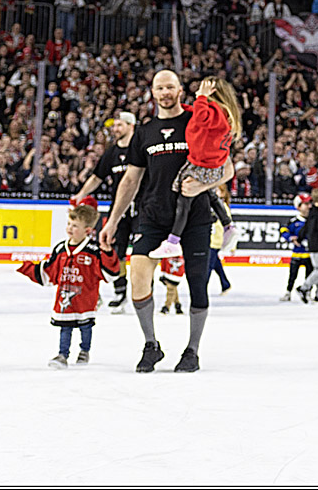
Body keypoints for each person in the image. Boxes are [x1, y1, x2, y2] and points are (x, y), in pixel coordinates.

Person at [100, 69, 235, 374]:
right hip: (153, 216)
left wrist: (201, 187)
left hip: (196, 217)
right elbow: (130, 180)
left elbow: (226, 170)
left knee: (197, 285)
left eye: (170, 87)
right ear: (152, 92)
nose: (165, 92)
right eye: (159, 87)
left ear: (179, 90)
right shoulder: (143, 132)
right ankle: (151, 345)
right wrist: (112, 221)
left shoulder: (196, 120)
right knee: (137, 276)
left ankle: (192, 351)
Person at [17, 199, 119, 369]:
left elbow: (109, 273)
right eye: (69, 224)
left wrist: (108, 252)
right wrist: (28, 268)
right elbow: (49, 272)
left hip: (86, 300)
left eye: (75, 226)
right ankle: (62, 354)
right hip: (65, 300)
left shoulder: (93, 251)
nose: (70, 228)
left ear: (87, 230)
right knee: (65, 327)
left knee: (86, 327)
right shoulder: (60, 249)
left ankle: (84, 350)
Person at [148, 77, 240, 260]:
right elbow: (197, 114)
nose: (198, 91)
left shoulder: (215, 111)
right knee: (210, 194)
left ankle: (173, 241)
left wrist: (201, 98)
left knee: (185, 199)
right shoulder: (220, 112)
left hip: (202, 164)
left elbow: (201, 117)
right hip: (206, 163)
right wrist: (185, 108)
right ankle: (228, 225)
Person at [72, 110, 138, 312]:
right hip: (118, 210)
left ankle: (143, 294)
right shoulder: (111, 153)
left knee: (140, 255)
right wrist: (80, 195)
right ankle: (120, 293)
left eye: (119, 125)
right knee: (115, 253)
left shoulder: (141, 149)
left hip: (142, 208)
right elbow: (97, 177)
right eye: (114, 126)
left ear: (130, 126)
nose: (115, 129)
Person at [279, 193, 314, 302]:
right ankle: (288, 292)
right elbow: (283, 230)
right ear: (298, 206)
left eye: (309, 203)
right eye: (305, 204)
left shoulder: (313, 220)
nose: (309, 206)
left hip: (310, 254)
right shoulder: (294, 221)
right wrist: (291, 238)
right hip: (297, 253)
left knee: (309, 275)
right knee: (292, 275)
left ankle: (307, 292)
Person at [208, 183, 234, 295]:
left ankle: (203, 286)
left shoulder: (223, 207)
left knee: (208, 265)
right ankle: (225, 284)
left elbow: (229, 227)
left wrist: (232, 245)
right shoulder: (209, 204)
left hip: (216, 240)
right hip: (209, 239)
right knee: (215, 263)